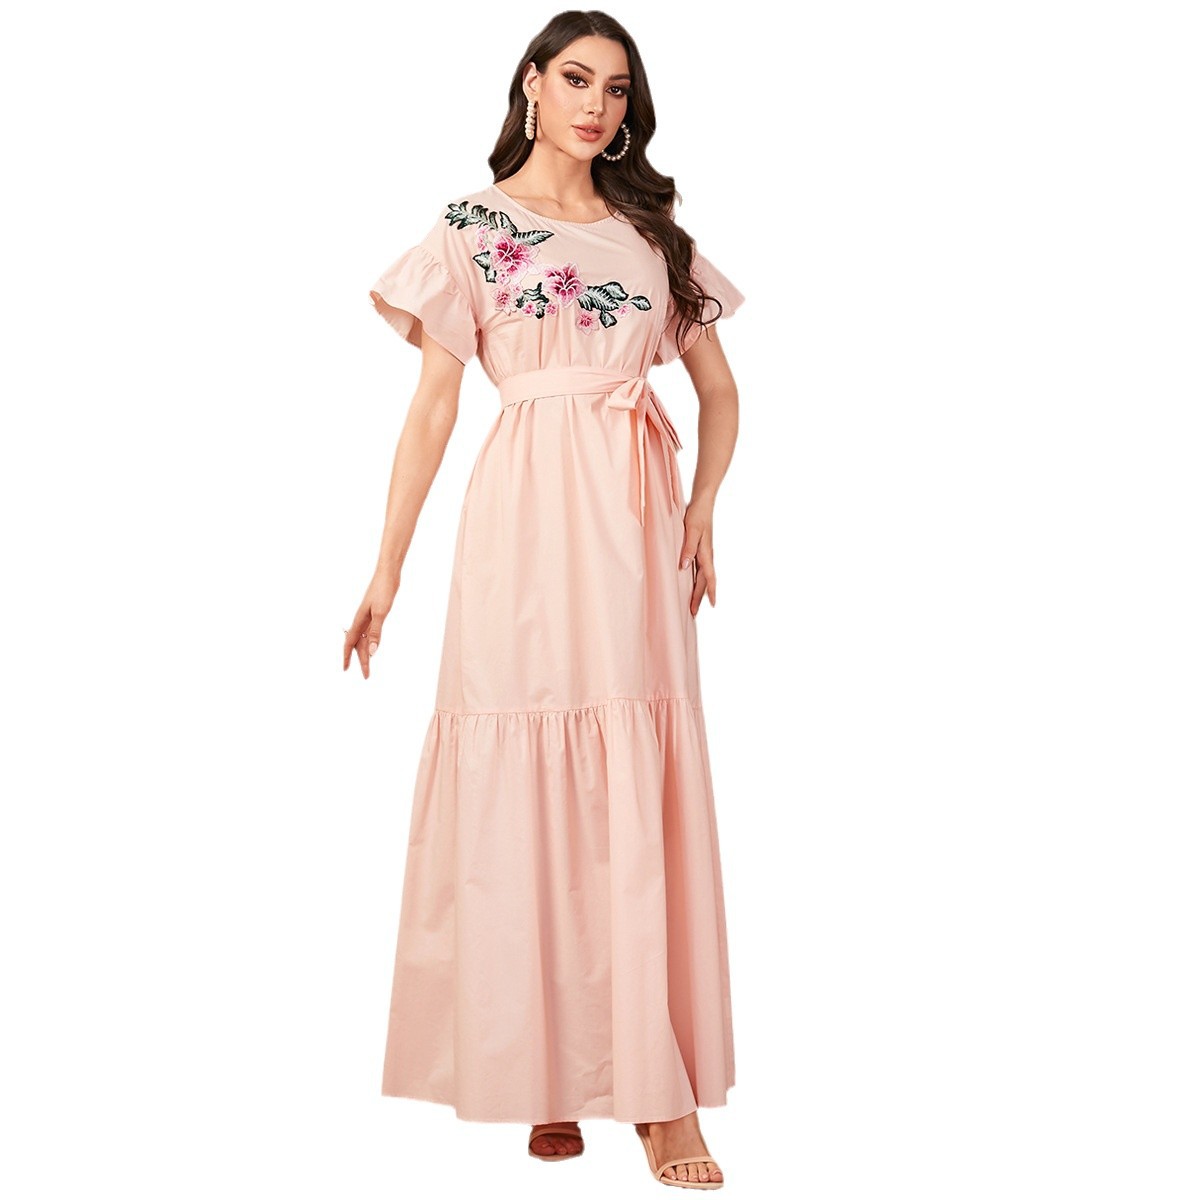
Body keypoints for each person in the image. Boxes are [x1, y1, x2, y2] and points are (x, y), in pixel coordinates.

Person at [344, 10, 743, 1190]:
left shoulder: (650, 233)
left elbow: (721, 390)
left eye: (617, 90)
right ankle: (549, 1073)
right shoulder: (471, 229)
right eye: (576, 79)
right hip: (520, 520)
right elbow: (433, 408)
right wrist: (386, 566)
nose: (596, 105)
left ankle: (659, 1097)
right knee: (524, 775)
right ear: (531, 83)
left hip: (633, 523)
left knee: (628, 772)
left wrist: (704, 506)